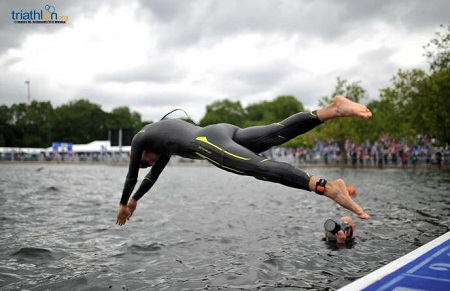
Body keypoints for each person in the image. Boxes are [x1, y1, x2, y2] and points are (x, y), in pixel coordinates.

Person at [116, 96, 372, 226]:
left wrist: (122, 203)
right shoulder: (160, 140)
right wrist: (136, 200)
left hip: (206, 142)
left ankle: (326, 187)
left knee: (257, 167)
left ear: (139, 154)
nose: (151, 163)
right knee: (276, 131)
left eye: (145, 161)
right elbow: (152, 177)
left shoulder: (140, 138)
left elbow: (133, 176)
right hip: (220, 130)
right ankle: (333, 110)